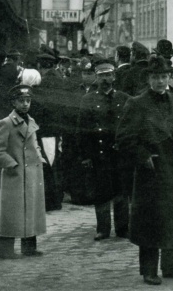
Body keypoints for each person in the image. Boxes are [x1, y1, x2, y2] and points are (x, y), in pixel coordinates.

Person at [116, 55, 173, 285]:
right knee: (151, 221)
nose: (160, 81)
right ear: (149, 79)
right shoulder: (137, 103)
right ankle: (149, 270)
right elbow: (123, 138)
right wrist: (141, 155)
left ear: (170, 77)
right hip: (151, 172)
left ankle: (172, 266)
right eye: (155, 77)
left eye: (164, 77)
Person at [0, 84, 47, 260]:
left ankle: (29, 248)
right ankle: (5, 250)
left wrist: (39, 157)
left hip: (32, 174)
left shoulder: (31, 121)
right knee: (11, 213)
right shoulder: (6, 123)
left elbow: (34, 143)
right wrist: (11, 164)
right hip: (15, 175)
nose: (25, 104)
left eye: (28, 100)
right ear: (13, 102)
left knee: (31, 210)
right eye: (21, 101)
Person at [76, 58, 130, 241]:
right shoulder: (88, 100)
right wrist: (85, 156)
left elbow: (129, 127)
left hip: (120, 153)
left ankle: (123, 228)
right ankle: (103, 229)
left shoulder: (124, 99)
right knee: (101, 193)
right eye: (102, 76)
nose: (105, 79)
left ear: (114, 76)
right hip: (99, 153)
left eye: (108, 75)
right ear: (96, 78)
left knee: (121, 191)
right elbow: (82, 129)